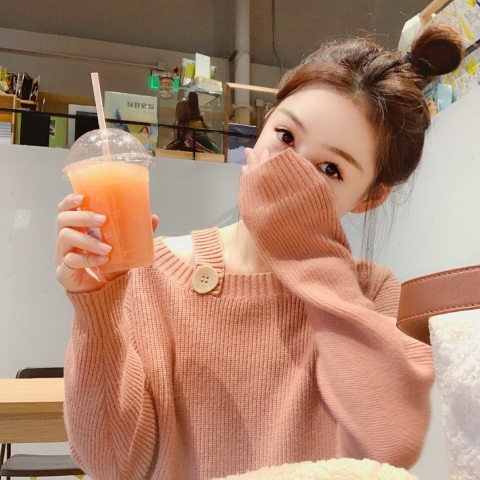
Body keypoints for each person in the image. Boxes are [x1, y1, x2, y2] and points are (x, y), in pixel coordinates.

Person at [55, 23, 463, 480]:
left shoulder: (368, 291)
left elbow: (388, 444)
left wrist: (302, 248)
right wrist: (97, 307)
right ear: (263, 126)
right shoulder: (156, 270)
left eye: (330, 169)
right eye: (286, 137)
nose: (290, 171)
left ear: (369, 198)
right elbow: (112, 463)